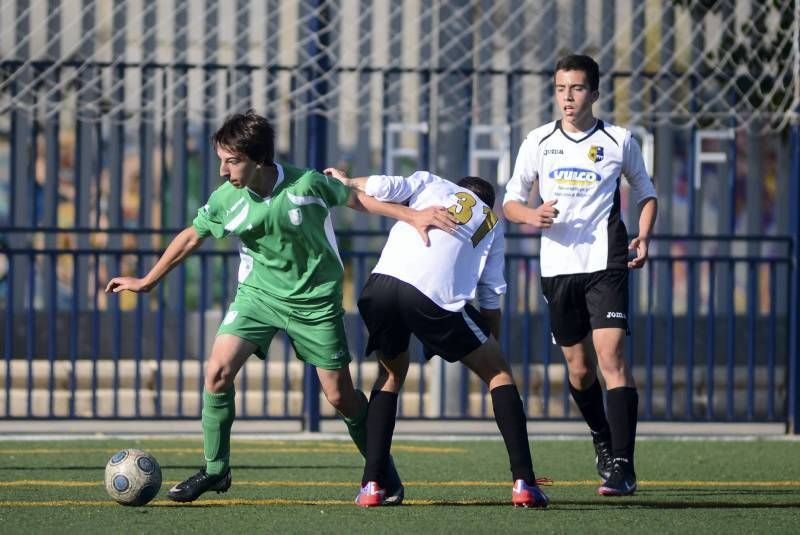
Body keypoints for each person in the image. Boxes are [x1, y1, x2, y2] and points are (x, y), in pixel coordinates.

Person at [105, 111, 453, 504]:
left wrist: (414, 216)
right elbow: (192, 236)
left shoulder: (306, 184)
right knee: (217, 372)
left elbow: (356, 199)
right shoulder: (226, 199)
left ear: (259, 160)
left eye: (231, 160)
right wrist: (148, 280)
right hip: (258, 297)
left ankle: (380, 469)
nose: (222, 170)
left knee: (340, 396)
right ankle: (216, 470)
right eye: (221, 159)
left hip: (315, 301)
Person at [325, 167, 550, 509]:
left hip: (380, 287)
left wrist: (348, 181)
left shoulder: (432, 183)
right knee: (499, 373)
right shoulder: (490, 219)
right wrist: (492, 348)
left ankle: (371, 486)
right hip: (430, 296)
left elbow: (386, 185)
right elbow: (491, 294)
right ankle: (524, 483)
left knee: (390, 376)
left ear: (458, 188)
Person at [502, 54, 658, 496]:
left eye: (576, 89)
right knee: (579, 368)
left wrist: (643, 236)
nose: (567, 98)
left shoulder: (619, 139)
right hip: (558, 268)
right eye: (560, 89)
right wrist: (532, 215)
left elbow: (646, 194)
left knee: (611, 360)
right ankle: (602, 438)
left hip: (606, 262)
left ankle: (623, 466)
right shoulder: (537, 141)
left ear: (593, 92)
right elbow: (510, 202)